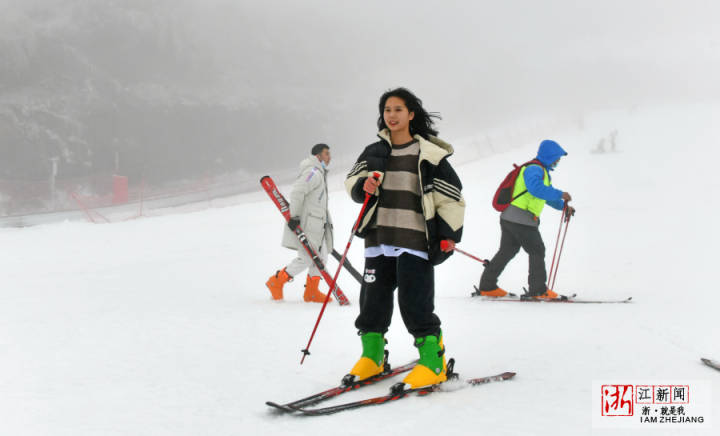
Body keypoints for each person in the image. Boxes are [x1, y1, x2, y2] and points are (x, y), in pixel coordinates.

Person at [343, 88, 465, 389]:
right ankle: (372, 357)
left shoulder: (430, 155)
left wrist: (448, 236)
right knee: (372, 301)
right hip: (378, 237)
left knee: (415, 302)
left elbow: (451, 199)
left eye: (398, 109)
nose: (392, 115)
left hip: (415, 240)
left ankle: (433, 361)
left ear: (411, 114)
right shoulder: (374, 153)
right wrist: (364, 187)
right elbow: (352, 183)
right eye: (387, 110)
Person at [477, 139, 575, 299]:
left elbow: (545, 196)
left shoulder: (541, 171)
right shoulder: (534, 169)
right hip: (521, 219)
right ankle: (538, 290)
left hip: (511, 217)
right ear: (550, 156)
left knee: (507, 250)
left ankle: (487, 286)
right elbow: (536, 189)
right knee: (537, 250)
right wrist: (560, 193)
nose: (557, 161)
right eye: (557, 158)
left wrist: (563, 207)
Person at [265, 144, 334, 303]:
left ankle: (312, 292)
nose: (329, 157)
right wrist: (294, 216)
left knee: (321, 257)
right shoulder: (312, 172)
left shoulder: (319, 173)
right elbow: (297, 191)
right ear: (318, 156)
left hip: (318, 224)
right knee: (307, 258)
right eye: (326, 154)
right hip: (309, 223)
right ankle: (276, 281)